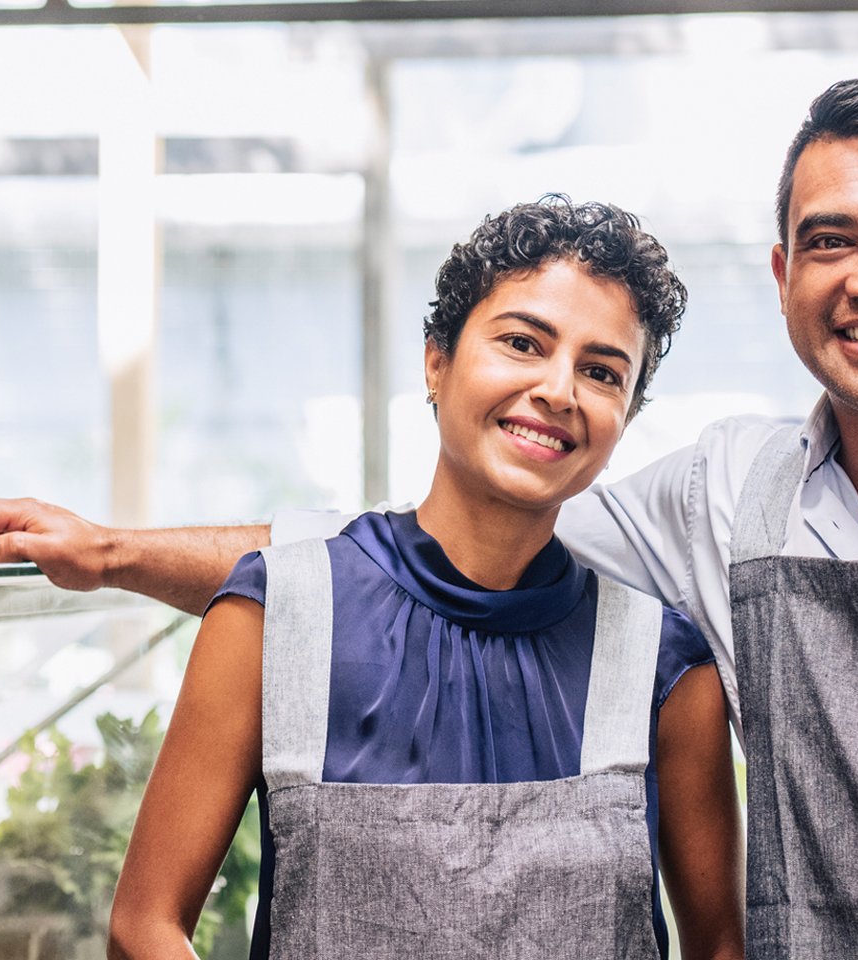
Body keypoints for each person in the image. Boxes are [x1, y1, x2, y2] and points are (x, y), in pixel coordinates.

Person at [0, 75, 858, 958]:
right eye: (833, 241)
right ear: (785, 271)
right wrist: (113, 554)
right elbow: (400, 570)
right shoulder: (729, 501)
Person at [97, 198, 744, 960]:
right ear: (436, 361)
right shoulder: (273, 616)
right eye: (522, 342)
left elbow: (719, 948)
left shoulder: (664, 668)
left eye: (602, 372)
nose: (560, 391)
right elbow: (144, 925)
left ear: (625, 418)